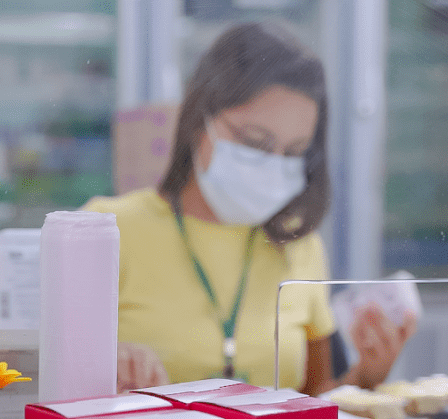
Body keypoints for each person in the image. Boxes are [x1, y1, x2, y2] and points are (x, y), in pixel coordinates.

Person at [84, 22, 416, 395]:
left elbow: (314, 397)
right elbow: (49, 377)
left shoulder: (297, 242)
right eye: (256, 143)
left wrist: (367, 376)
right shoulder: (104, 230)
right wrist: (105, 364)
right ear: (199, 119)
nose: (274, 166)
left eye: (293, 153)